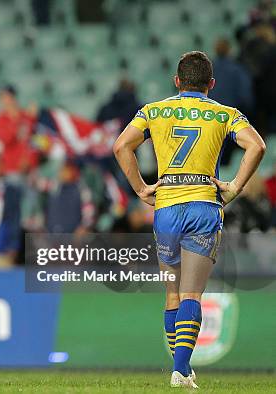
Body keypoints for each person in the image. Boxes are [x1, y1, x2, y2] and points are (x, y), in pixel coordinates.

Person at [113, 51, 266, 388]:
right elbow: (256, 146)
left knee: (172, 295)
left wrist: (140, 188)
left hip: (166, 205)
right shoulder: (225, 114)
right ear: (211, 84)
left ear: (177, 81)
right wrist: (235, 188)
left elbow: (122, 145)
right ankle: (181, 370)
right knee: (192, 294)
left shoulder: (153, 111)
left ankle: (181, 369)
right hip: (203, 204)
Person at [0, 84, 38, 180]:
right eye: (2, 97)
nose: (5, 100)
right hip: (11, 170)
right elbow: (6, 139)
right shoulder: (0, 120)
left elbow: (33, 140)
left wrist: (30, 160)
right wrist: (16, 121)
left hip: (30, 169)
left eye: (7, 96)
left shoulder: (27, 116)